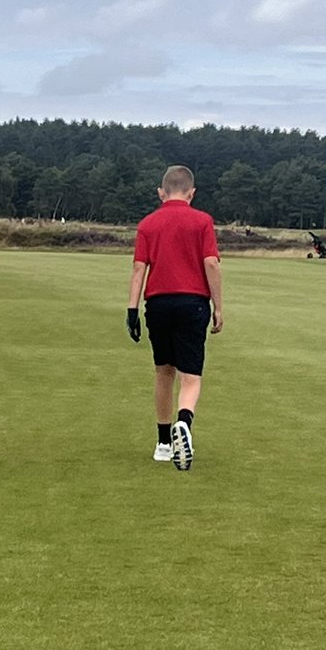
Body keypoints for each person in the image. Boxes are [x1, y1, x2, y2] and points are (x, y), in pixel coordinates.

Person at [126, 165, 223, 472]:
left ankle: (164, 442)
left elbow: (139, 268)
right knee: (190, 376)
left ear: (161, 192)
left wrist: (131, 310)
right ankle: (184, 421)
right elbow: (211, 263)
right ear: (191, 193)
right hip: (192, 302)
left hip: (157, 303)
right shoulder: (202, 221)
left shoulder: (148, 224)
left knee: (163, 372)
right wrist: (218, 306)